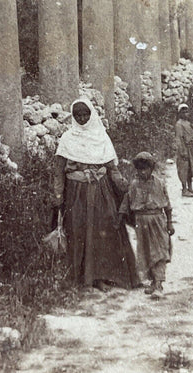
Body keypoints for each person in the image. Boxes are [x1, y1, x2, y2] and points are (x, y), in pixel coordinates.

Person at [51, 97, 140, 292]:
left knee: (104, 231)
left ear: (91, 115)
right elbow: (58, 170)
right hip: (76, 193)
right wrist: (58, 195)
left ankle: (102, 276)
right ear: (73, 117)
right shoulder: (67, 138)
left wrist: (125, 187)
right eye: (78, 115)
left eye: (85, 114)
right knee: (79, 231)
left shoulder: (101, 136)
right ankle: (83, 278)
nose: (82, 118)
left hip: (100, 191)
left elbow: (112, 168)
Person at [118, 152, 174, 298]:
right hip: (141, 222)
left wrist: (169, 223)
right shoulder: (134, 184)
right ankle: (153, 282)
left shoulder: (159, 183)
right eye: (140, 169)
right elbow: (126, 202)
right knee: (145, 252)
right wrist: (121, 216)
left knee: (159, 251)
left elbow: (167, 205)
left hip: (157, 220)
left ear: (152, 168)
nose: (143, 172)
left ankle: (159, 284)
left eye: (145, 169)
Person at [175, 103, 193, 197]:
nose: (186, 114)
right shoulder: (179, 124)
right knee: (184, 169)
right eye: (183, 112)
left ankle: (190, 188)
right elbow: (179, 139)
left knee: (191, 169)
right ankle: (184, 189)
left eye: (187, 111)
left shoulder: (187, 123)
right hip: (185, 149)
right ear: (179, 114)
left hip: (192, 149)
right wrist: (183, 152)